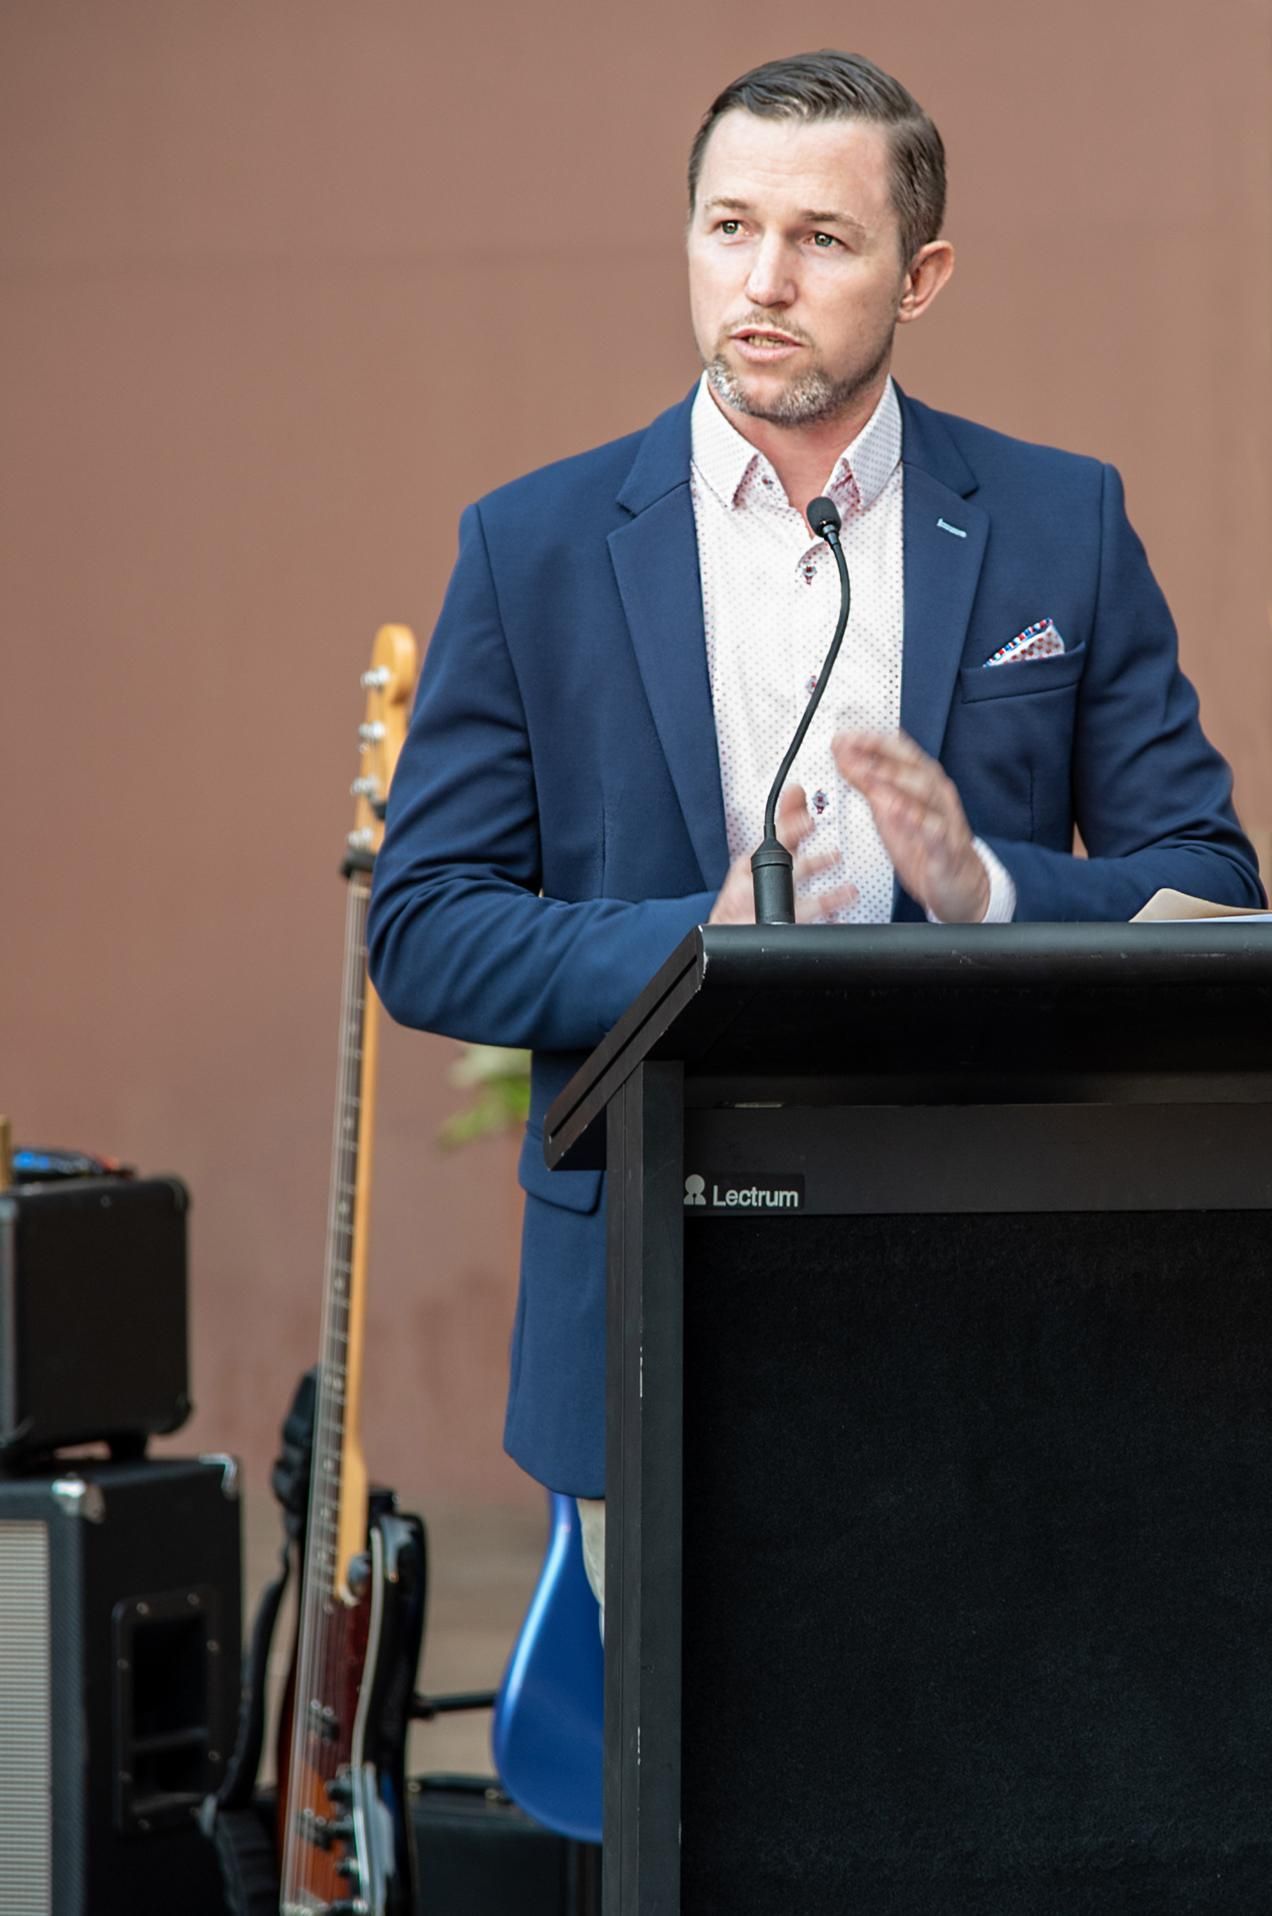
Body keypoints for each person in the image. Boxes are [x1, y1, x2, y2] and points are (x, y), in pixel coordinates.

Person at [366, 50, 1265, 1590]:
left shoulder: (1065, 523)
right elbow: (425, 924)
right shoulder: (532, 550)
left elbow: (1211, 882)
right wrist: (695, 946)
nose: (762, 282)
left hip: (1000, 1284)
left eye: (821, 240)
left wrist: (988, 891)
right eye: (729, 228)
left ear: (922, 276)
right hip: (649, 1292)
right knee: (661, 1810)